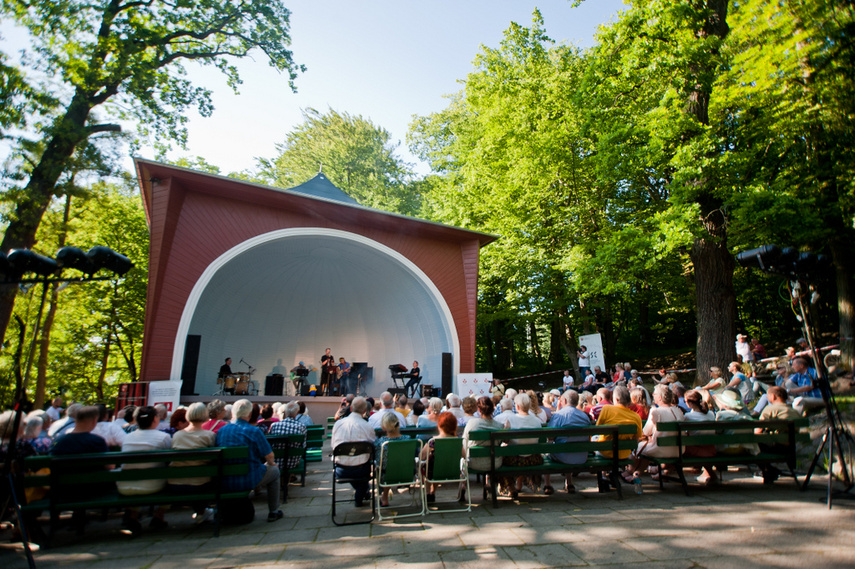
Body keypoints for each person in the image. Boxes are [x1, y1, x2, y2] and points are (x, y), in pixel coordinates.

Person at [216, 399, 283, 522]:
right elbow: (269, 455)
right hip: (248, 478)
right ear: (250, 414)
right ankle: (273, 511)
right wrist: (271, 464)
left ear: (232, 413)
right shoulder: (254, 431)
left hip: (224, 479)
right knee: (274, 471)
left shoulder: (221, 431)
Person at [168, 402, 217, 524]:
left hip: (176, 483)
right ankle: (201, 512)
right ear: (205, 415)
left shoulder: (177, 436)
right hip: (201, 484)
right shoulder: (209, 435)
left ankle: (201, 512)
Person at [629, 385, 684, 478]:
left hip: (660, 449)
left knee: (641, 446)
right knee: (646, 446)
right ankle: (637, 473)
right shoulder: (678, 411)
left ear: (660, 398)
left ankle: (631, 472)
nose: (653, 396)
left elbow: (645, 432)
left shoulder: (656, 412)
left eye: (654, 394)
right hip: (679, 450)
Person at [543, 390, 591, 494]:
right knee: (567, 444)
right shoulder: (584, 416)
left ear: (564, 400)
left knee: (549, 447)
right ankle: (569, 483)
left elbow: (550, 436)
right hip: (582, 456)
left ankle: (547, 484)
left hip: (563, 456)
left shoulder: (559, 415)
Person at [331, 396, 376, 506]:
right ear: (365, 411)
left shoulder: (338, 424)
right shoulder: (368, 426)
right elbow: (372, 446)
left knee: (359, 475)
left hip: (341, 469)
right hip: (361, 469)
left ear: (350, 408)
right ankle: (361, 494)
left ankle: (362, 492)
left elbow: (333, 446)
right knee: (363, 477)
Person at [498, 392, 543, 497]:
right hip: (533, 459)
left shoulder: (511, 420)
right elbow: (540, 440)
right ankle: (518, 484)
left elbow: (505, 440)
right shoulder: (537, 421)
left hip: (515, 459)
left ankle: (511, 488)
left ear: (517, 406)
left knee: (503, 459)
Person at [754, 386, 800, 483]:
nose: (767, 397)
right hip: (790, 447)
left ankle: (769, 470)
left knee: (753, 445)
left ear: (773, 396)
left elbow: (757, 431)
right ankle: (770, 471)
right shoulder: (794, 411)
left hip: (774, 446)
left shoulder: (770, 409)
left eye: (768, 395)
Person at [420, 411, 465, 502]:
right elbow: (464, 455)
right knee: (435, 464)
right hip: (453, 470)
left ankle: (428, 492)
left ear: (439, 425)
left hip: (435, 471)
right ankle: (433, 491)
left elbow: (422, 456)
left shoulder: (432, 441)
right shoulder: (457, 441)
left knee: (428, 464)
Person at [374, 412, 410, 507]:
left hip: (387, 475)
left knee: (383, 468)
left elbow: (379, 461)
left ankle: (384, 496)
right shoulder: (407, 439)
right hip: (407, 473)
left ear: (383, 427)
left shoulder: (380, 442)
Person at [463, 397, 505, 473]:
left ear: (479, 410)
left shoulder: (472, 423)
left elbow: (464, 442)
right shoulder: (500, 426)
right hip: (495, 463)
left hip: (475, 463)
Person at [268, 401, 307, 482]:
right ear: (297, 413)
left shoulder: (274, 426)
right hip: (293, 462)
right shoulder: (301, 427)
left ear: (285, 412)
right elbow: (303, 446)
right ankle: (287, 478)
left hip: (276, 461)